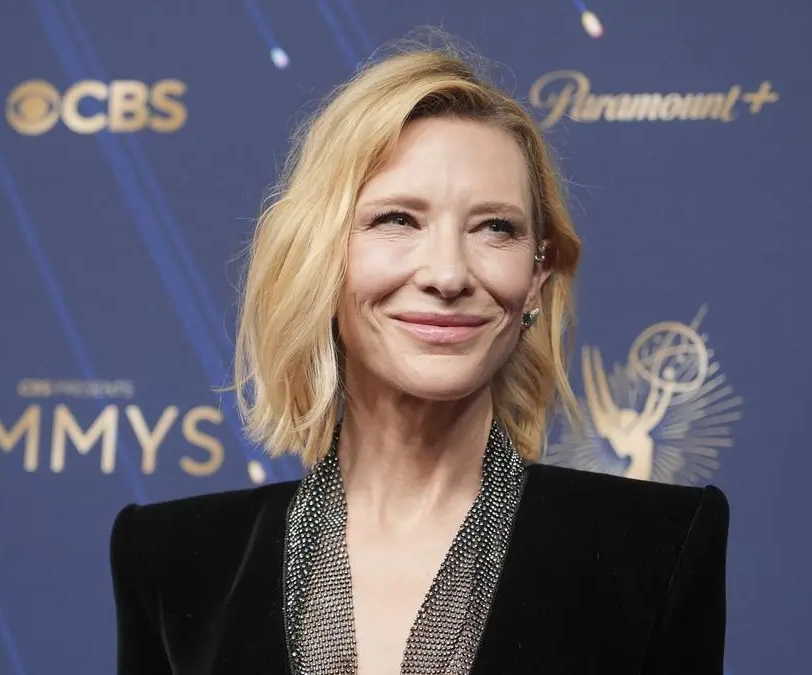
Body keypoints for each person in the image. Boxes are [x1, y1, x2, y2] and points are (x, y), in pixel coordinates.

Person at [109, 35, 729, 675]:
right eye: (398, 220)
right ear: (320, 258)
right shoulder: (171, 562)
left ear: (536, 278)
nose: (448, 274)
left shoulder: (656, 550)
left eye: (495, 228)